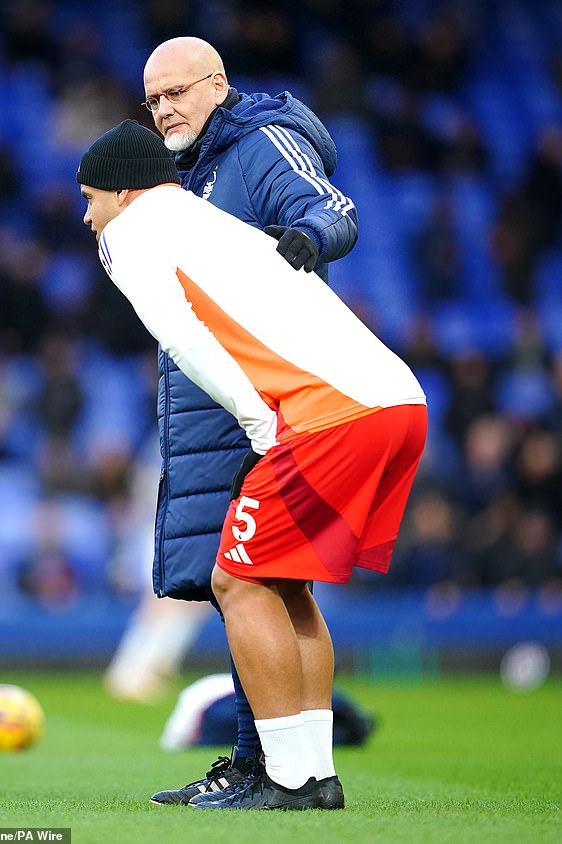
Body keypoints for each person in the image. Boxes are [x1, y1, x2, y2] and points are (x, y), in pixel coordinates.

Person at [76, 119, 427, 810]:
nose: (87, 215)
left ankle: (287, 780)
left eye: (90, 197)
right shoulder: (213, 223)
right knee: (286, 585)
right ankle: (316, 775)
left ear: (123, 192)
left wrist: (260, 425)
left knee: (237, 583)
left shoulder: (129, 233)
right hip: (398, 401)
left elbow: (189, 341)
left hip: (328, 414)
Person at [127, 35, 360, 803]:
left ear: (217, 84)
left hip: (275, 407)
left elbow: (329, 209)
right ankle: (296, 770)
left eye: (177, 92)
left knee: (250, 583)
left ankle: (274, 770)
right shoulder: (187, 177)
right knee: (276, 589)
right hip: (231, 411)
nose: (164, 109)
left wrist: (301, 243)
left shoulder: (261, 143)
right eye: (152, 99)